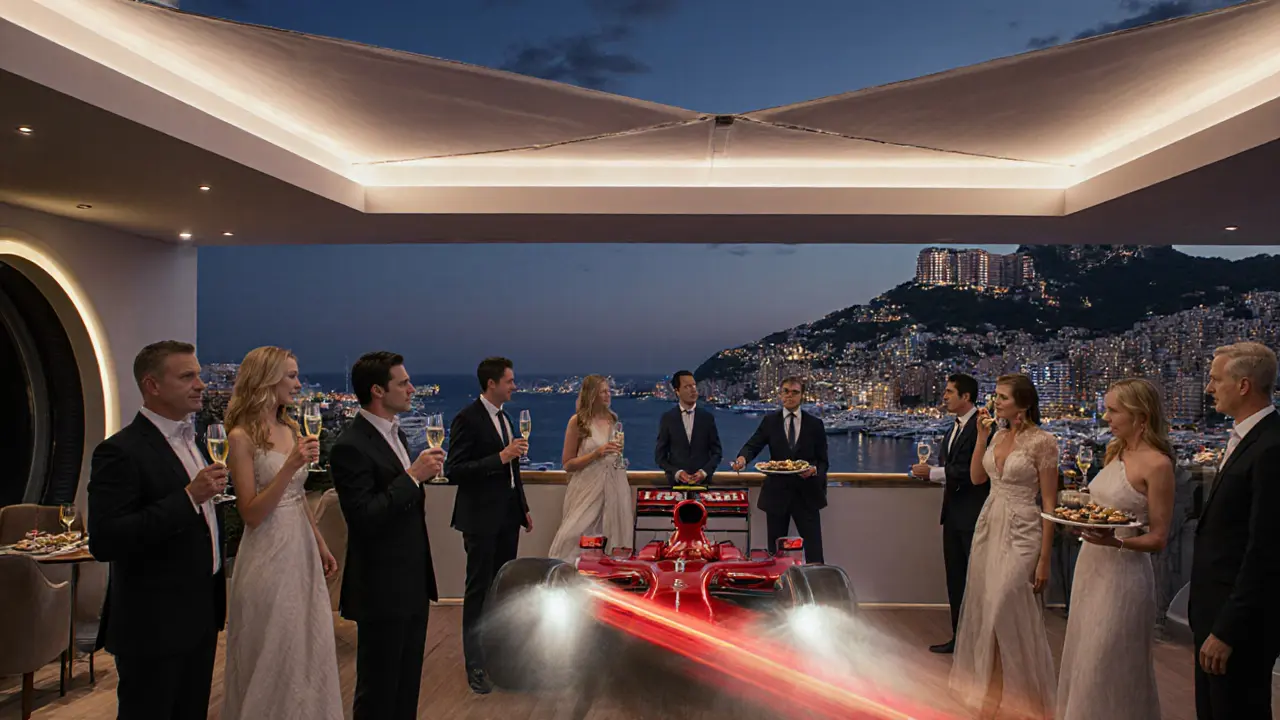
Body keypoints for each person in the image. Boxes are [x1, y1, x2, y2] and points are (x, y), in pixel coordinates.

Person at [87, 340, 228, 719]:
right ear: (152, 386)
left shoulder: (194, 441)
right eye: (187, 376)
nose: (201, 384)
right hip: (153, 625)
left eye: (199, 375)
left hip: (199, 617)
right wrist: (189, 497)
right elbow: (106, 539)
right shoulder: (120, 451)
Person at [220, 346, 343, 720]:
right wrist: (290, 466)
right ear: (266, 379)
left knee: (307, 642)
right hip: (267, 553)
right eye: (291, 375)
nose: (298, 383)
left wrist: (319, 543)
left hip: (300, 550)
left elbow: (298, 497)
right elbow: (251, 513)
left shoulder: (290, 429)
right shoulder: (241, 437)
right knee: (273, 645)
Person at [330, 351, 444, 720]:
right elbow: (363, 517)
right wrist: (412, 477)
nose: (412, 389)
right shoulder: (350, 446)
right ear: (378, 390)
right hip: (380, 588)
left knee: (406, 687)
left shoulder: (396, 435)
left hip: (411, 582)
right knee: (378, 692)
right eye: (403, 383)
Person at [1057, 378, 1173, 720]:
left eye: (1113, 410)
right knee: (1084, 658)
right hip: (1091, 567)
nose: (1106, 417)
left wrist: (1116, 541)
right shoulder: (1114, 452)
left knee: (1108, 662)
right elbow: (1103, 507)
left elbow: (1159, 538)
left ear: (1141, 416)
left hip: (1124, 577)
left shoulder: (1158, 465)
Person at [948, 373, 1058, 719]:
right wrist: (982, 437)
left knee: (1005, 603)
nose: (995, 402)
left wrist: (1044, 559)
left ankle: (1025, 699)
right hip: (990, 524)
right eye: (995, 396)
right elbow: (977, 478)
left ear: (1023, 403)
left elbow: (1050, 503)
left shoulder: (1043, 442)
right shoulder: (996, 435)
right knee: (986, 610)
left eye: (1003, 397)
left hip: (1024, 529)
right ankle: (991, 695)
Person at [1191, 341, 1280, 719]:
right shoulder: (1249, 439)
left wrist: (1227, 630)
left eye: (1215, 379)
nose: (1209, 388)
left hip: (1239, 627)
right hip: (1214, 615)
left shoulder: (1271, 447)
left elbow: (1266, 550)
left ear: (1243, 385)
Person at [444, 356, 532, 694]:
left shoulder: (506, 418)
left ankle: (499, 657)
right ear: (491, 383)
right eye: (509, 381)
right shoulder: (467, 419)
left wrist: (522, 508)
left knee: (502, 588)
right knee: (479, 591)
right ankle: (475, 664)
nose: (514, 386)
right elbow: (455, 470)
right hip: (480, 518)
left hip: (507, 516)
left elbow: (513, 472)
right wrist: (501, 457)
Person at [912, 373, 989, 654]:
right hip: (953, 515)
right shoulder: (953, 428)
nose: (944, 396)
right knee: (955, 580)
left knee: (976, 582)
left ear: (966, 396)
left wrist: (933, 473)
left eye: (949, 392)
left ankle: (979, 643)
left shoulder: (982, 428)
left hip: (974, 515)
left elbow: (975, 472)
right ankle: (960, 638)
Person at [730, 376, 829, 562]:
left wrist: (814, 470)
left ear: (802, 395)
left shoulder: (815, 424)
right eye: (786, 391)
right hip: (777, 494)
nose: (789, 395)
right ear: (780, 394)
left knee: (814, 552)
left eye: (795, 392)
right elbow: (753, 445)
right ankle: (778, 580)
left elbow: (823, 462)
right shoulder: (770, 421)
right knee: (775, 553)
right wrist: (742, 459)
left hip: (807, 495)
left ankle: (817, 580)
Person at [548, 374, 632, 561]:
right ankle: (567, 574)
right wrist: (596, 454)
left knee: (611, 536)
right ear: (592, 395)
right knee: (574, 535)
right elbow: (568, 463)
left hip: (614, 486)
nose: (608, 395)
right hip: (587, 487)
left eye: (608, 391)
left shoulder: (613, 420)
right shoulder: (578, 422)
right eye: (602, 392)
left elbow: (614, 453)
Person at [655, 370, 722, 486]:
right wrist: (677, 473)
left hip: (703, 485)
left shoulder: (707, 418)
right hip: (676, 486)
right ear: (677, 391)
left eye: (694, 385)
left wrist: (704, 472)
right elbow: (660, 457)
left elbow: (717, 453)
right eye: (687, 387)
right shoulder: (668, 418)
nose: (693, 390)